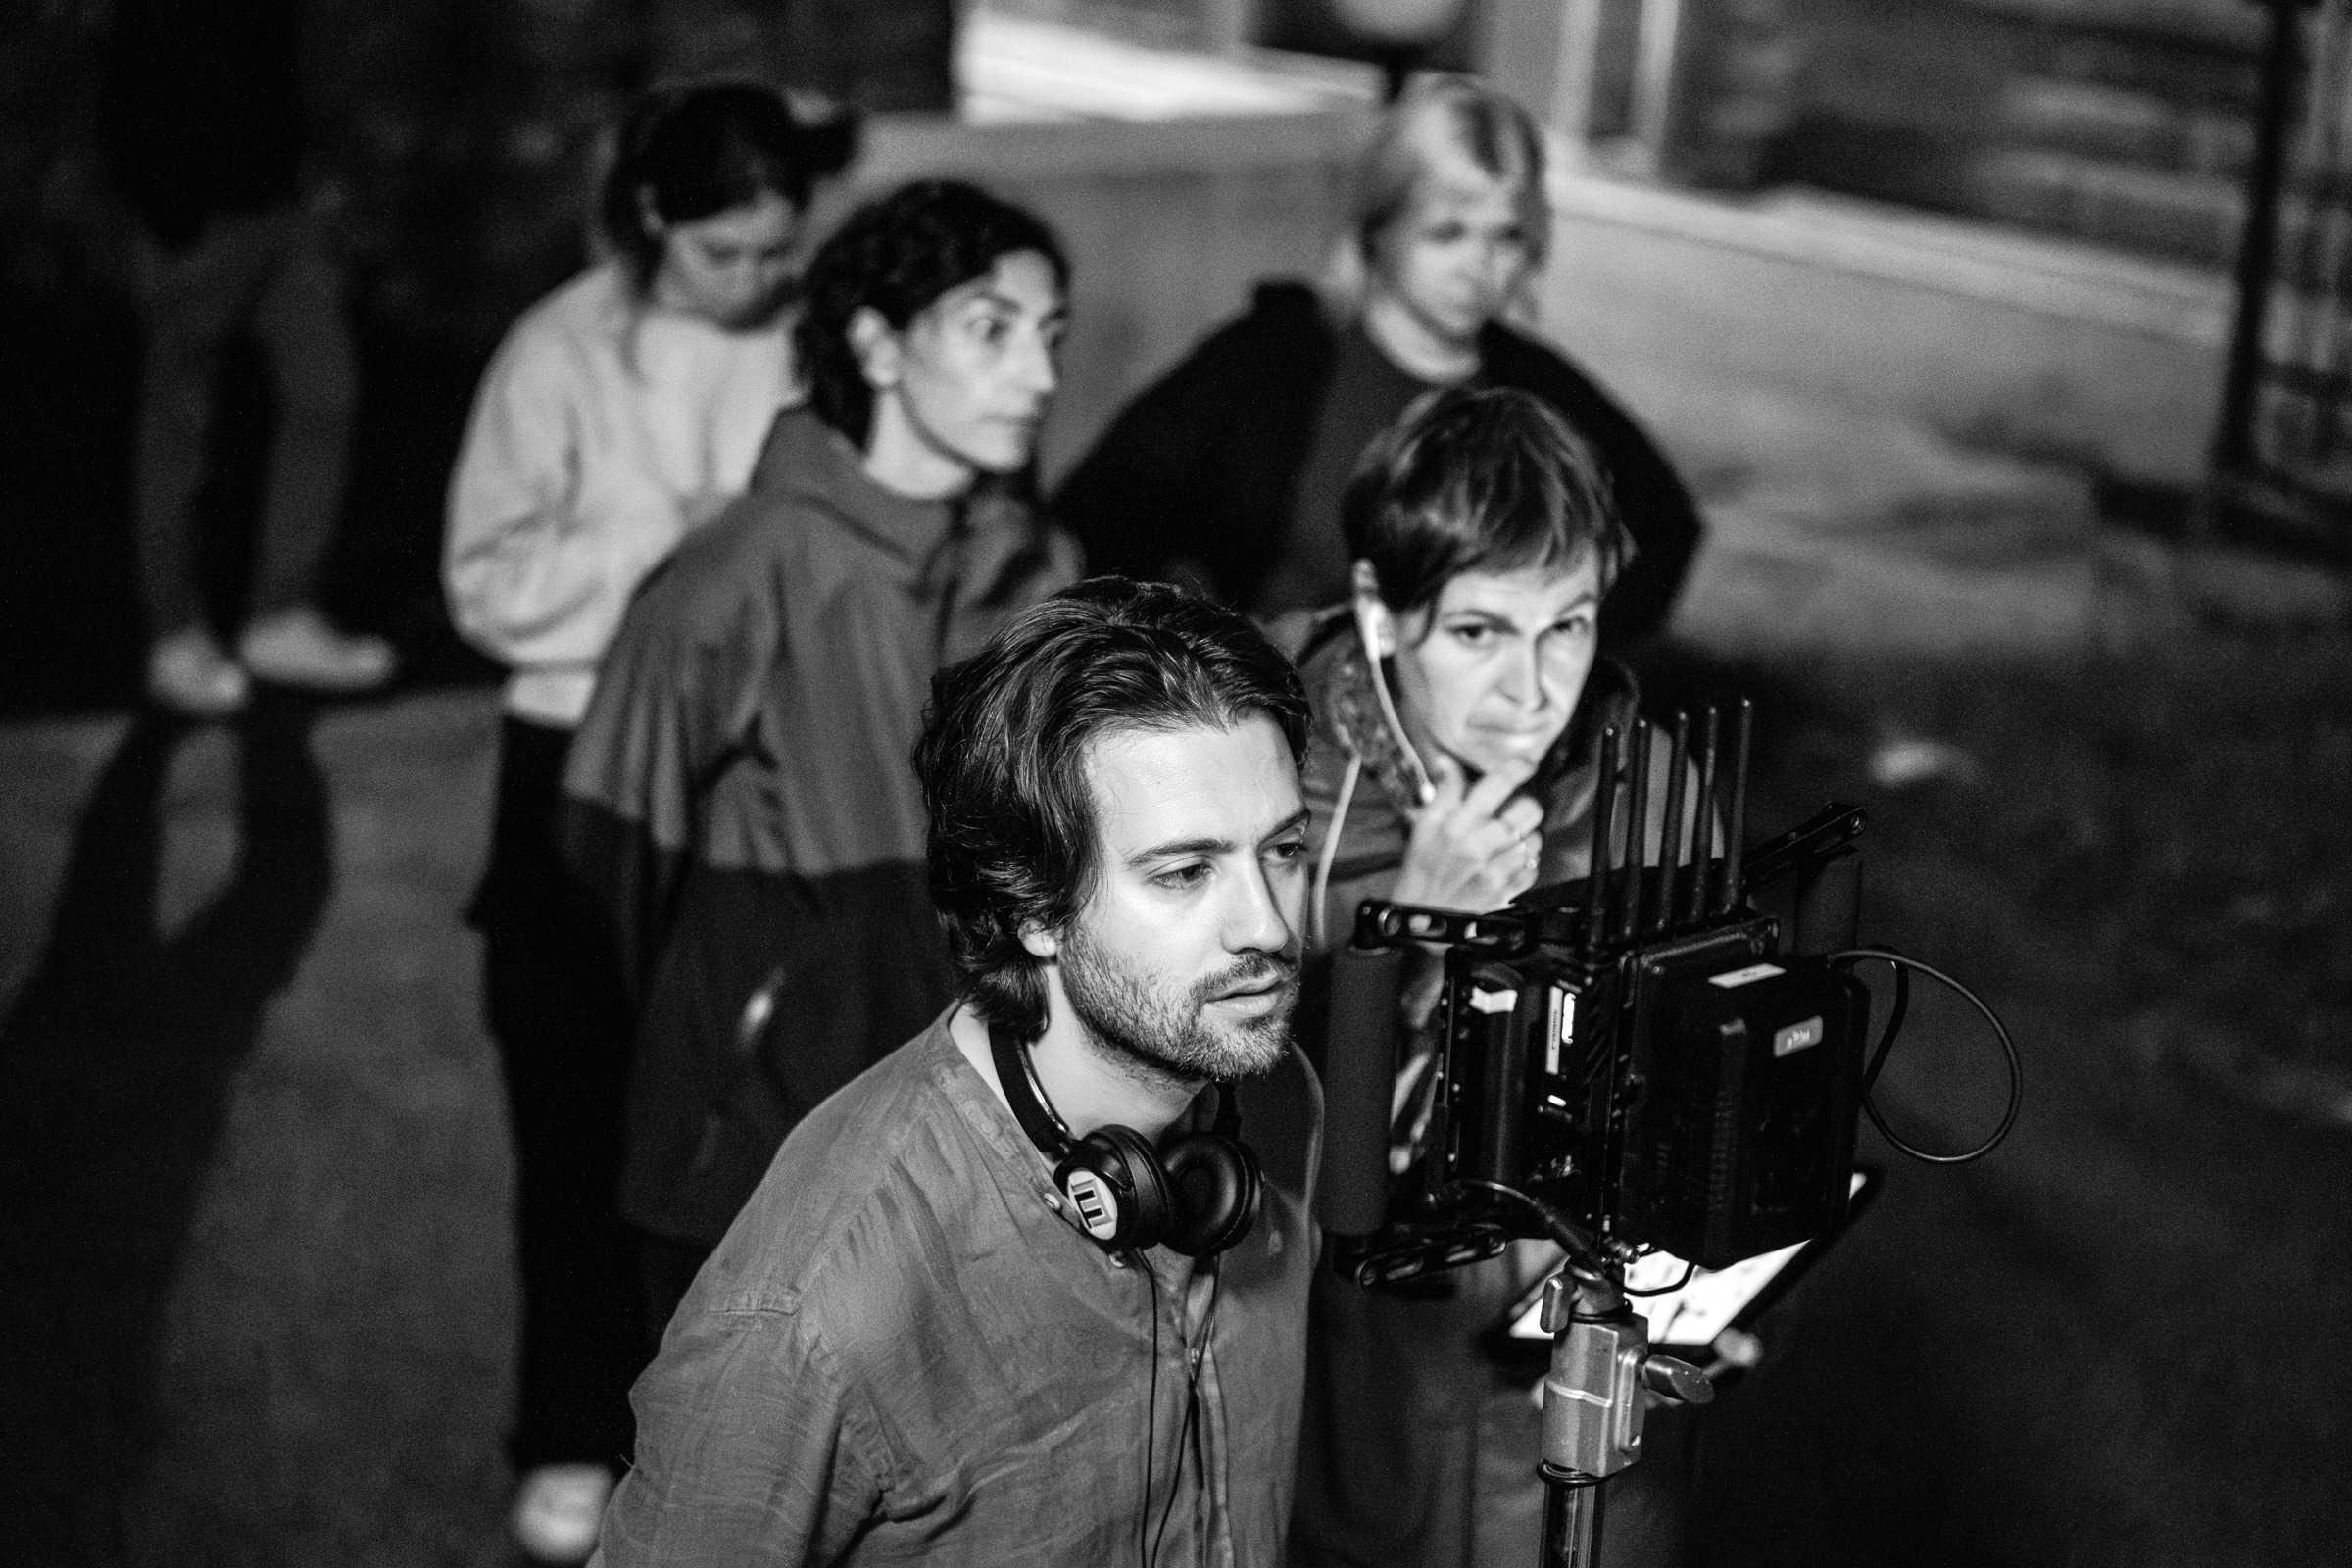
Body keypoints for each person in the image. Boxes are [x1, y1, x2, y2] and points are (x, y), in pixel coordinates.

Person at [593, 579, 1324, 1566]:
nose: (1269, 927)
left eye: (1281, 851)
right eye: (1185, 872)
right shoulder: (820, 1304)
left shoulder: (1281, 1093)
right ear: (1035, 908)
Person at [559, 178, 1083, 1346]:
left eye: (1050, 336)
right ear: (877, 342)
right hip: (757, 1163)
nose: (1039, 376)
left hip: (985, 1155)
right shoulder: (737, 574)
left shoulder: (1040, 571)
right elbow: (599, 884)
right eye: (990, 331)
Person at [443, 79, 854, 1565]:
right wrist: (665, 547)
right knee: (572, 1107)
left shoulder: (815, 340)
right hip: (575, 756)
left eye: (778, 253)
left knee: (742, 1119)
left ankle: (723, 1440)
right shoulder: (560, 348)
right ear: (653, 221)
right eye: (723, 254)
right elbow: (482, 582)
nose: (755, 284)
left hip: (756, 768)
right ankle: (564, 1426)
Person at [1287, 387, 1692, 1568]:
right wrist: (1414, 924)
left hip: (1580, 1401)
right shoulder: (1269, 786)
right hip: (1356, 1390)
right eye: (1479, 633)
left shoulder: (1647, 784)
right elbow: (1234, 1102)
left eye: (1566, 626)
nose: (1532, 691)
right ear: (1380, 610)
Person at [1053, 73, 1702, 647]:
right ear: (1378, 229)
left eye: (1505, 237)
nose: (1479, 266)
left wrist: (1556, 651)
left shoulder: (1537, 387)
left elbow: (1664, 528)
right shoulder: (1274, 359)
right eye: (1447, 232)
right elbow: (1099, 514)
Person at [102, 0, 399, 716]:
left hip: (276, 204)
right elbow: (134, 70)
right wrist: (166, 210)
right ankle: (173, 636)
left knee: (325, 393)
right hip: (201, 216)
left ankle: (279, 615)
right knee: (179, 429)